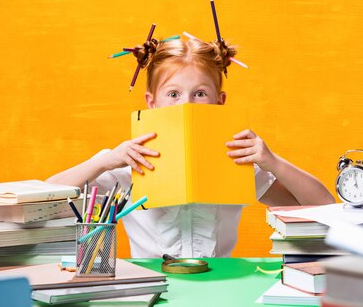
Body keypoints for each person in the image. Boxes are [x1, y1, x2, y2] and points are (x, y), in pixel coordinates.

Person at [47, 37, 334, 258]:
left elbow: (326, 210)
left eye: (199, 93)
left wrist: (273, 162)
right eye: (173, 94)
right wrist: (104, 162)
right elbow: (42, 199)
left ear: (219, 101)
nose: (186, 105)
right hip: (151, 288)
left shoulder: (235, 159)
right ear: (152, 102)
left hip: (219, 285)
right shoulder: (127, 161)